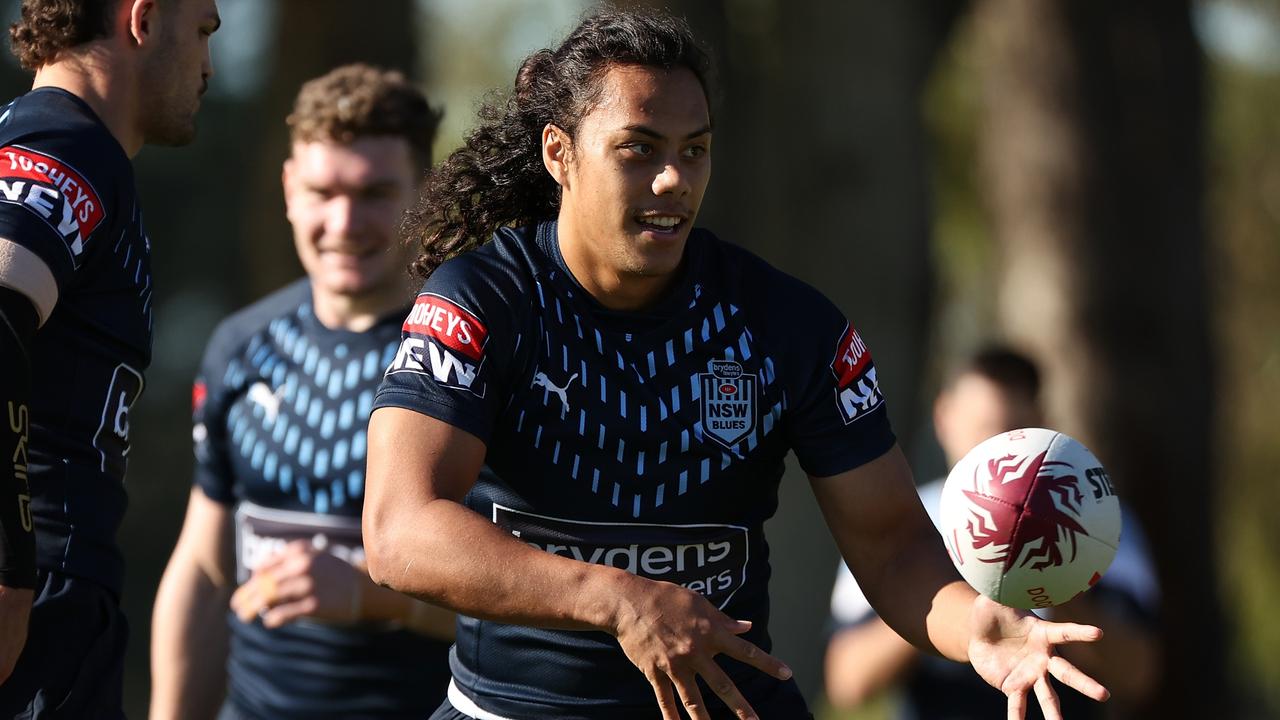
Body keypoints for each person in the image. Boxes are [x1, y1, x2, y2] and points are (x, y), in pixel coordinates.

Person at [362, 7, 1110, 720]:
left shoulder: (788, 324)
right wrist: (618, 598)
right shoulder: (484, 299)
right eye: (639, 148)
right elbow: (399, 530)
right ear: (560, 153)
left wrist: (969, 625)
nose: (673, 181)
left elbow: (894, 545)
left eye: (695, 149)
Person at [149, 64, 456, 720]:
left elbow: (532, 605)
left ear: (426, 195)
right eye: (323, 191)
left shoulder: (463, 354)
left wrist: (376, 594)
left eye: (376, 192)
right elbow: (204, 573)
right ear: (289, 188)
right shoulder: (240, 344)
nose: (344, 222)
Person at [0, 0, 218, 715]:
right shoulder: (65, 143)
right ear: (145, 20)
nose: (209, 67)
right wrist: (9, 570)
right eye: (204, 32)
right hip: (38, 595)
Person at [825, 346, 1161, 720]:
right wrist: (952, 597)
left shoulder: (1096, 516)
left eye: (1012, 433)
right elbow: (848, 683)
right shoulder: (907, 519)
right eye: (983, 430)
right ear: (944, 418)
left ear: (1040, 423)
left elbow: (1138, 673)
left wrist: (1059, 582)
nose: (997, 454)